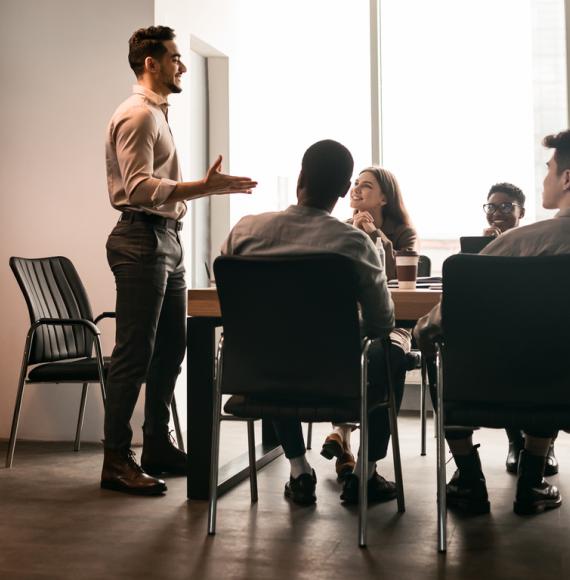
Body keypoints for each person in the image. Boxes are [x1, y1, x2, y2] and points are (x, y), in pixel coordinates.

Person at [102, 26, 257, 496]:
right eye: (174, 57)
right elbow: (138, 188)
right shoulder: (138, 117)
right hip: (141, 240)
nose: (181, 64)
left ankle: (156, 446)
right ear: (151, 62)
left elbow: (157, 189)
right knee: (134, 353)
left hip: (166, 239)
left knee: (171, 347)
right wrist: (203, 188)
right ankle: (115, 460)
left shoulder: (157, 115)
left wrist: (197, 192)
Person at [221, 140, 407, 506]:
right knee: (393, 349)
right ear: (342, 191)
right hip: (336, 379)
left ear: (300, 177)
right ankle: (364, 474)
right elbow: (382, 321)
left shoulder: (244, 232)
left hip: (260, 374)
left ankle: (298, 469)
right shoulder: (353, 243)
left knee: (276, 347)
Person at [414, 129, 570, 515]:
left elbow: (442, 321)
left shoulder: (514, 244)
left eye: (549, 170)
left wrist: (421, 332)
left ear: (568, 179)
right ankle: (532, 481)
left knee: (438, 352)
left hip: (493, 382)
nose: (545, 178)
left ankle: (468, 477)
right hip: (559, 386)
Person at [321, 167, 417, 480]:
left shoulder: (403, 232)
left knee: (383, 353)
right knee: (356, 354)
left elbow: (399, 276)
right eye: (355, 185)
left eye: (366, 186)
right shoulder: (339, 229)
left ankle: (345, 437)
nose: (356, 190)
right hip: (348, 324)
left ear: (385, 196)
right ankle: (348, 444)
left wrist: (376, 235)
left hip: (392, 321)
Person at [482, 183, 559, 476]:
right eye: (491, 207)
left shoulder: (536, 244)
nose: (497, 212)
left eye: (505, 207)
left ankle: (543, 445)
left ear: (521, 212)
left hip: (535, 327)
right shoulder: (478, 245)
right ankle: (516, 442)